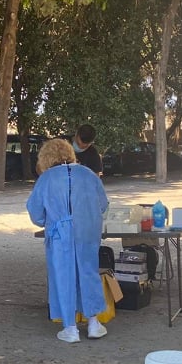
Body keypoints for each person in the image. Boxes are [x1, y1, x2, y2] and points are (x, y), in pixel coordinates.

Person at [26, 138, 109, 343]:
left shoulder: (46, 179)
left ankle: (70, 327)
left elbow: (36, 214)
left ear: (46, 158)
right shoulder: (89, 174)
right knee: (88, 272)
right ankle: (94, 323)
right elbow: (103, 205)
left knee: (63, 275)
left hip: (59, 234)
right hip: (87, 231)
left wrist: (52, 220)